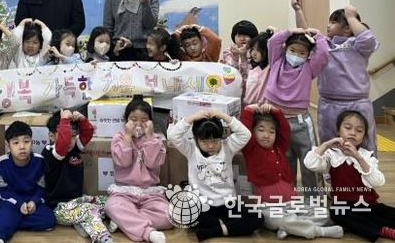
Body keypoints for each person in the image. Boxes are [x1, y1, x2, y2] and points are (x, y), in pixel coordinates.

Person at [240, 104, 343, 239]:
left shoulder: (279, 148)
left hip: (293, 204)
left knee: (325, 214)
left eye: (271, 132)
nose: (266, 135)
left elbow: (285, 129)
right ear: (253, 132)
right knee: (277, 221)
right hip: (269, 207)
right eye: (261, 130)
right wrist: (249, 110)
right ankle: (318, 231)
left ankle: (292, 228)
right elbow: (244, 130)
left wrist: (275, 111)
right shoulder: (251, 150)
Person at [292, 0, 380, 152]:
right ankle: (331, 167)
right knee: (330, 142)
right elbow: (305, 34)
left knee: (364, 144)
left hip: (357, 103)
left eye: (333, 22)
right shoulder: (323, 44)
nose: (328, 25)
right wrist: (298, 10)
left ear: (347, 28)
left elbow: (367, 38)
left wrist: (351, 17)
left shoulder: (358, 45)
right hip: (329, 104)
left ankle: (364, 167)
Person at [167, 107, 262, 241]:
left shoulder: (228, 147)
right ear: (196, 139)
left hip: (228, 204)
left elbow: (245, 134)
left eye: (215, 141)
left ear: (220, 138)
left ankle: (214, 231)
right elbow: (173, 136)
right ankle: (229, 226)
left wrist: (223, 116)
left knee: (257, 217)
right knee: (185, 213)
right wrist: (193, 117)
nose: (211, 146)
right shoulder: (191, 149)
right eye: (205, 142)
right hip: (203, 206)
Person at [304, 110, 395, 241]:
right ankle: (382, 231)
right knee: (337, 214)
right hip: (343, 205)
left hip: (367, 203)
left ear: (363, 136)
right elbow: (310, 163)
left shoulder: (365, 155)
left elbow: (378, 182)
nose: (353, 133)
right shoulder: (331, 154)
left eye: (359, 130)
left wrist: (358, 158)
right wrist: (326, 144)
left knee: (385, 213)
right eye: (347, 128)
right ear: (338, 131)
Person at [263, 27, 328, 196]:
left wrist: (318, 36)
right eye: (292, 50)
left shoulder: (309, 68)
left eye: (302, 53)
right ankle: (287, 195)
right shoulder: (276, 61)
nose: (296, 55)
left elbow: (323, 54)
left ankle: (313, 198)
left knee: (310, 161)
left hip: (300, 122)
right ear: (285, 48)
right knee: (284, 161)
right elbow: (273, 41)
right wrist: (290, 31)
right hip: (277, 122)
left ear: (308, 55)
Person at [105, 95, 173, 243]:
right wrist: (127, 136)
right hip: (124, 193)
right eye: (133, 119)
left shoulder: (157, 139)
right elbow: (123, 162)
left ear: (150, 121)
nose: (138, 124)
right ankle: (147, 232)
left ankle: (125, 222)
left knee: (169, 215)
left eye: (144, 120)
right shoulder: (119, 137)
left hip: (150, 193)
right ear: (125, 120)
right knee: (111, 206)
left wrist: (149, 138)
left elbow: (152, 163)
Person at [43, 110, 112, 243]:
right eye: (66, 135)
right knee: (89, 210)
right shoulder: (50, 152)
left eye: (73, 136)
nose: (70, 140)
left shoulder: (74, 147)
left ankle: (84, 222)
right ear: (51, 136)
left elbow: (88, 132)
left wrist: (82, 120)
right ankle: (103, 238)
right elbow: (62, 144)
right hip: (59, 208)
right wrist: (64, 120)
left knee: (110, 201)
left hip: (78, 200)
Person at [0, 121, 56, 243]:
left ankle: (11, 222)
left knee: (49, 220)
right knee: (4, 217)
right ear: (8, 145)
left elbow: (41, 187)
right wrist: (19, 203)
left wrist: (34, 201)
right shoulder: (2, 164)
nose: (22, 147)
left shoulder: (39, 161)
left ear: (32, 142)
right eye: (16, 143)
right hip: (11, 202)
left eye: (26, 141)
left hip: (31, 202)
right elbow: (3, 191)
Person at [243, 28, 273, 107]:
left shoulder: (270, 69)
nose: (254, 53)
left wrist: (274, 32)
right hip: (248, 107)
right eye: (253, 49)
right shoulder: (253, 68)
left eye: (258, 50)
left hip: (262, 108)